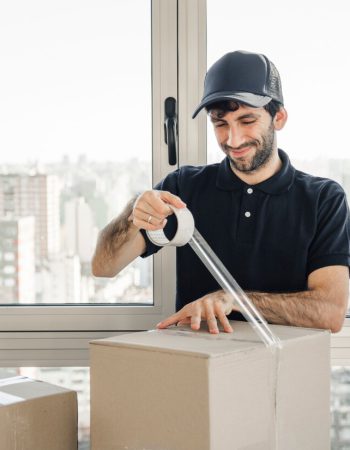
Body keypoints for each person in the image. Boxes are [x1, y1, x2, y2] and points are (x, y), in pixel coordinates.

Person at [92, 50, 350, 335]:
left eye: (247, 121)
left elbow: (330, 312)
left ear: (279, 118)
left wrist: (235, 300)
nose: (233, 139)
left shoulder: (323, 199)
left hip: (282, 370)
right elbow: (104, 266)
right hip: (199, 368)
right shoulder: (183, 187)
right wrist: (133, 212)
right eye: (220, 123)